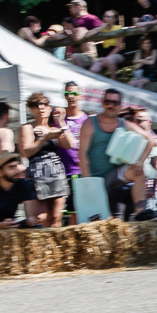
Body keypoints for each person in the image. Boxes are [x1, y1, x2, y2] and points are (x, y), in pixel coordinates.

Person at [78, 88, 154, 217]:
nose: (111, 105)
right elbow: (82, 155)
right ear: (102, 103)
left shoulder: (124, 124)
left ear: (120, 105)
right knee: (94, 222)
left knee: (138, 171)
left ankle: (141, 214)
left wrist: (140, 161)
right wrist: (89, 182)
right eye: (108, 102)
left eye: (115, 103)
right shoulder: (90, 123)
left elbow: (150, 140)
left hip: (113, 176)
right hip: (93, 177)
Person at [18, 92, 73, 228]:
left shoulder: (54, 128)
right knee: (40, 218)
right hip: (37, 171)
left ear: (50, 108)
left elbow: (69, 144)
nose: (41, 108)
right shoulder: (28, 128)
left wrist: (61, 122)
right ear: (31, 109)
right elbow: (26, 152)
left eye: (44, 105)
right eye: (36, 105)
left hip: (56, 170)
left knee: (56, 217)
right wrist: (43, 138)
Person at [55, 82, 88, 223]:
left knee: (77, 213)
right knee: (57, 215)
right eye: (68, 94)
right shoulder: (58, 118)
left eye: (74, 93)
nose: (71, 97)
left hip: (80, 170)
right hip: (61, 171)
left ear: (80, 96)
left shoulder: (87, 119)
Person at [63, 0, 103, 68]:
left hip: (88, 53)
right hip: (73, 54)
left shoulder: (91, 18)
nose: (69, 9)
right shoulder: (71, 21)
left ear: (78, 6)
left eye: (71, 7)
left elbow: (102, 32)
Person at [91, 10, 125, 78]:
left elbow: (119, 47)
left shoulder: (119, 28)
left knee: (109, 60)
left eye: (110, 17)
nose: (107, 19)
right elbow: (87, 35)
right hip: (104, 53)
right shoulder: (102, 28)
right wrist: (99, 29)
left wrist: (106, 58)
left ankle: (114, 82)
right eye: (106, 16)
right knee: (93, 70)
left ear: (115, 19)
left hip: (117, 53)